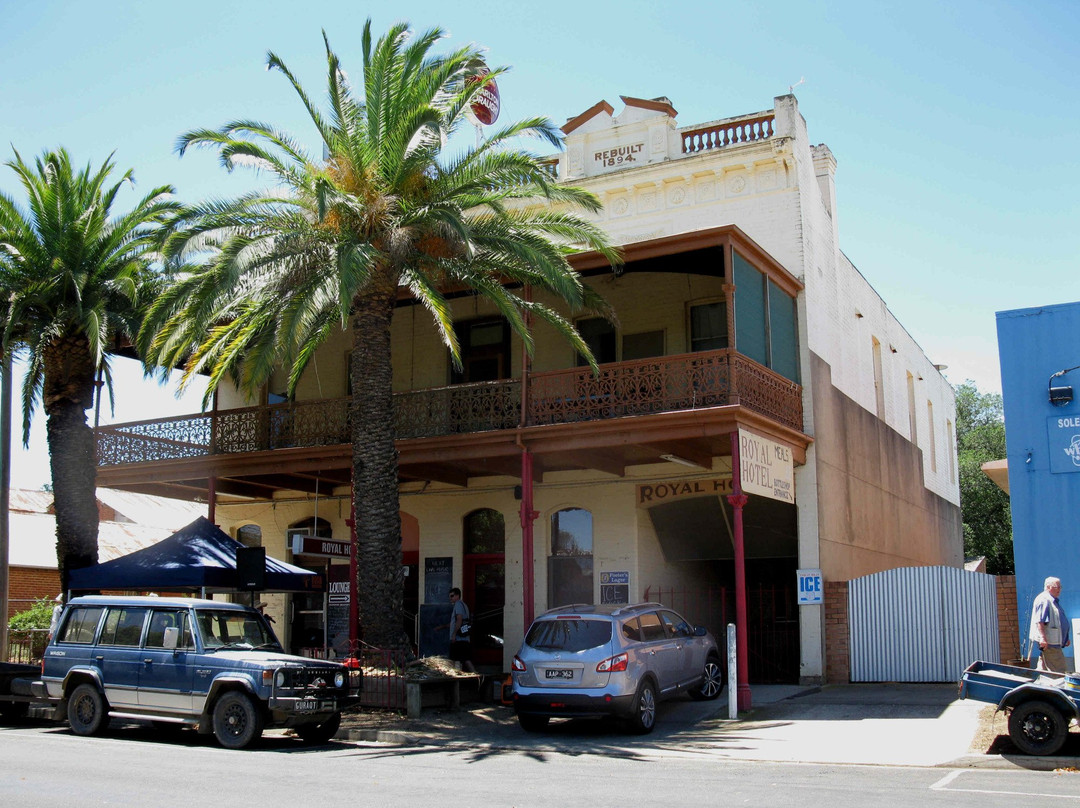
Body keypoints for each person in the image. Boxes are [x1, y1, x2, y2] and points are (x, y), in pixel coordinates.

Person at [1029, 576, 1071, 673]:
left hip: (1053, 641)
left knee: (1044, 668)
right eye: (1057, 587)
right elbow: (1040, 621)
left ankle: (1039, 685)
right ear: (1048, 587)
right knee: (1058, 669)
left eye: (1060, 587)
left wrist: (1064, 638)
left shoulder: (1052, 600)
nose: (1059, 590)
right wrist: (1043, 638)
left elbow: (1057, 621)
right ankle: (1058, 686)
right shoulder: (1044, 600)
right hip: (1050, 642)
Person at [447, 587, 476, 673]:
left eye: (452, 596)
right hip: (464, 638)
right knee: (466, 659)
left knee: (455, 659)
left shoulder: (458, 604)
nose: (450, 598)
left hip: (459, 638)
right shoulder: (464, 605)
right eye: (449, 596)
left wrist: (454, 634)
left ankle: (456, 677)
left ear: (457, 595)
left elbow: (459, 619)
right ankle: (476, 676)